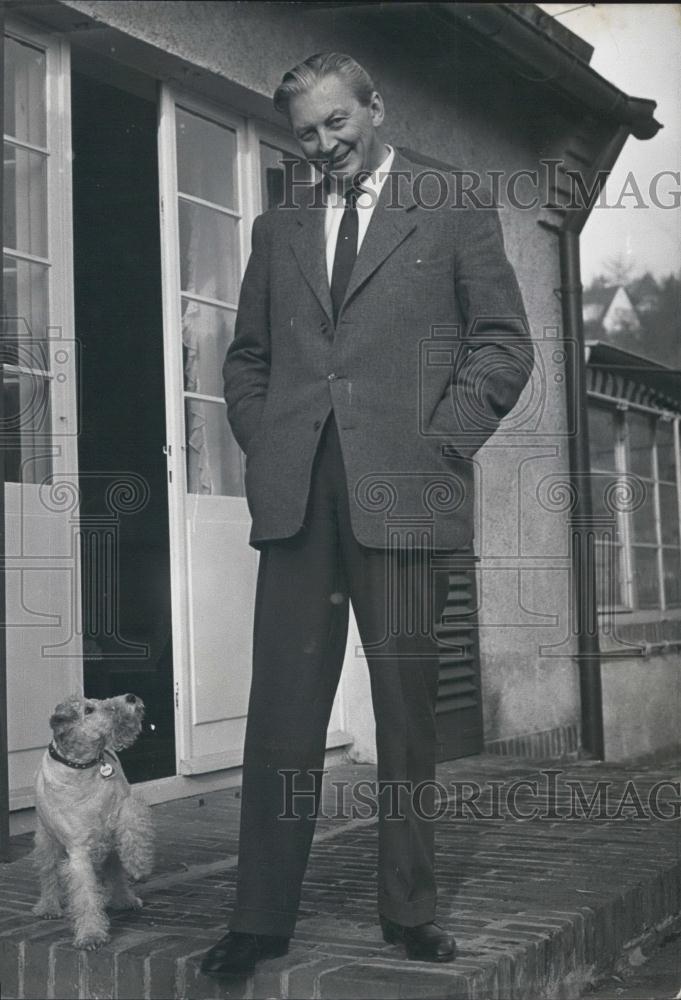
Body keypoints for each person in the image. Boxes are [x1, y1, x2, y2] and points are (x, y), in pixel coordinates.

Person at [201, 52, 533, 976]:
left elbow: (504, 344)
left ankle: (409, 910)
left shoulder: (453, 204)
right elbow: (247, 359)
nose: (324, 146)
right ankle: (259, 921)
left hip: (408, 493)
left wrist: (442, 442)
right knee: (281, 718)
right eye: (306, 133)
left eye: (337, 124)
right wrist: (268, 441)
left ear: (374, 110)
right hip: (299, 497)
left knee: (405, 715)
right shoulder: (280, 227)